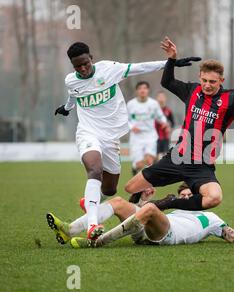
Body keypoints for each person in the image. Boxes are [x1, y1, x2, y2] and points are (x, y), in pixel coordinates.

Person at [124, 37, 234, 212]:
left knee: (214, 198)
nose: (207, 85)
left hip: (202, 166)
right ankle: (136, 210)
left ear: (221, 81)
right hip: (176, 158)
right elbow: (167, 82)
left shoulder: (231, 99)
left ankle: (167, 203)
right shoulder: (192, 90)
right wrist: (172, 59)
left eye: (212, 82)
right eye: (204, 80)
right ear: (199, 77)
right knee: (130, 187)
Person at [53, 42, 196, 239]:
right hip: (88, 133)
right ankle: (92, 225)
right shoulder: (71, 80)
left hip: (111, 138)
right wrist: (67, 108)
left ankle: (90, 200)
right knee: (94, 170)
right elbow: (73, 95)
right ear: (73, 66)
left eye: (85, 63)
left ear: (91, 58)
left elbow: (139, 67)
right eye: (78, 66)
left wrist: (170, 63)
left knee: (110, 188)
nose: (83, 69)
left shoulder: (109, 70)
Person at [45, 183, 234, 248]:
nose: (185, 198)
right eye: (182, 195)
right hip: (147, 227)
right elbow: (144, 208)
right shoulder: (176, 209)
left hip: (166, 235)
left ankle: (95, 242)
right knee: (117, 202)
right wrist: (143, 197)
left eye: (189, 195)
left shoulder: (214, 220)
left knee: (150, 209)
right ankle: (69, 230)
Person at [127, 81, 168, 175]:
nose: (142, 90)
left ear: (148, 90)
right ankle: (135, 169)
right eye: (140, 88)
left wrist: (164, 123)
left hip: (150, 135)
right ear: (137, 91)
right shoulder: (131, 104)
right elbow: (125, 119)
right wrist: (132, 127)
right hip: (136, 137)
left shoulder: (153, 104)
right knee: (139, 165)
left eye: (145, 88)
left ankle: (146, 184)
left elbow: (160, 116)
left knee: (149, 160)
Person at [155, 91, 175, 159]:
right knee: (154, 157)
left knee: (165, 156)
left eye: (162, 97)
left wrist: (169, 128)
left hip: (165, 138)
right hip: (154, 137)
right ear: (157, 98)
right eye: (159, 97)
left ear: (165, 98)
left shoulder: (168, 110)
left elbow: (172, 123)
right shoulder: (153, 110)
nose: (161, 99)